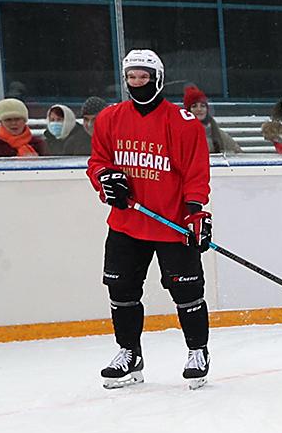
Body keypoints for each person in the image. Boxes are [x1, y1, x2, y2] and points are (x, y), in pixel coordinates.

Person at [86, 49, 213, 389]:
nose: (137, 83)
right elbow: (98, 161)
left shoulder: (182, 123)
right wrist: (106, 179)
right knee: (121, 287)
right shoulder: (110, 118)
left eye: (143, 77)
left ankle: (197, 351)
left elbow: (196, 172)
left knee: (187, 291)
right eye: (132, 77)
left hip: (172, 224)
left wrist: (196, 211)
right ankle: (129, 353)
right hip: (127, 222)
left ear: (157, 78)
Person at [180, 85, 242, 155]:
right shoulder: (179, 133)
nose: (199, 109)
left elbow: (238, 153)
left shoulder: (218, 134)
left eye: (203, 106)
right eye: (194, 106)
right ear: (188, 110)